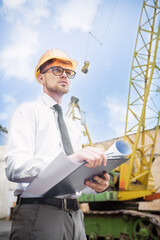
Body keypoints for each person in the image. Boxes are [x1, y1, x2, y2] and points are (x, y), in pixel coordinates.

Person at [5, 49, 110, 240]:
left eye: (68, 72)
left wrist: (95, 185)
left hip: (76, 217)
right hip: (39, 215)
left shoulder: (73, 126)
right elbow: (14, 167)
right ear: (41, 77)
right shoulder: (27, 112)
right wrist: (68, 160)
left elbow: (73, 178)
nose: (65, 75)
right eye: (57, 69)